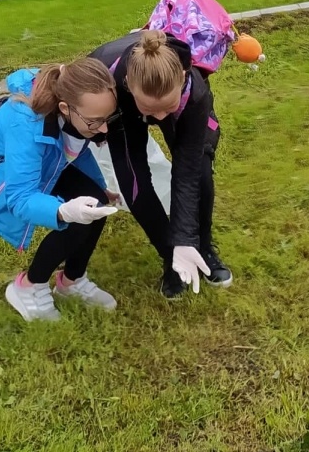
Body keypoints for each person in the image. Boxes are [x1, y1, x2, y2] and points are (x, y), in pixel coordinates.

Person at [0, 59, 121, 322]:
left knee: (95, 203)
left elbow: (76, 149)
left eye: (107, 118)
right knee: (75, 216)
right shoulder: (25, 122)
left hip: (42, 165)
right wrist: (63, 210)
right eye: (95, 121)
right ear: (65, 108)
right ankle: (28, 286)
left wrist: (101, 186)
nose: (103, 129)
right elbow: (19, 198)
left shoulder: (73, 106)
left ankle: (71, 282)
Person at [89, 29, 232, 299]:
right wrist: (173, 248)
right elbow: (135, 181)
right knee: (133, 181)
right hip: (121, 110)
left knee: (198, 170)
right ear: (130, 84)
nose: (160, 117)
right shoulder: (104, 82)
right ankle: (170, 258)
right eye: (152, 111)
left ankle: (202, 246)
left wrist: (187, 238)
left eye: (167, 108)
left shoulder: (195, 93)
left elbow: (186, 174)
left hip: (181, 105)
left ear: (182, 78)